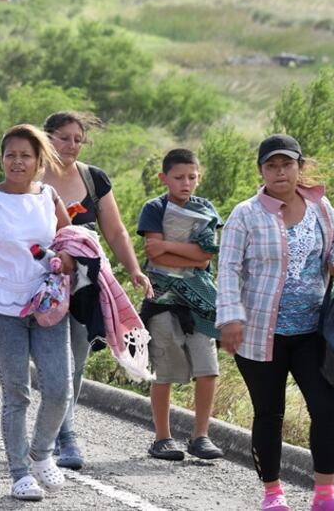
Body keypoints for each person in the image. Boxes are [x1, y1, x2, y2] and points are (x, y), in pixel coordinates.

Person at [217, 134, 334, 511]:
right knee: (269, 413)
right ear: (262, 171)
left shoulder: (320, 206)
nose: (280, 172)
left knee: (326, 408)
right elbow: (227, 268)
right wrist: (230, 318)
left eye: (287, 164)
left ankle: (326, 495)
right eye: (271, 166)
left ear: (300, 166)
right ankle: (273, 494)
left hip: (313, 332)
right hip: (260, 334)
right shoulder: (245, 214)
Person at [0, 124, 74, 501]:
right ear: (2, 159)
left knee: (59, 388)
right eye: (11, 155)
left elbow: (70, 241)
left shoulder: (49, 197)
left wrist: (68, 259)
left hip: (47, 308)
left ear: (39, 161)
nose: (17, 162)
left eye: (25, 155)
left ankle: (41, 455)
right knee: (17, 392)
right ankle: (20, 472)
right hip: (2, 308)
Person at [41, 111, 152, 470]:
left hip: (85, 286)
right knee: (52, 362)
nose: (71, 145)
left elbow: (116, 231)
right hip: (39, 284)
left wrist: (134, 269)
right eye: (63, 137)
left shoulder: (93, 179)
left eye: (78, 138)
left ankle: (65, 435)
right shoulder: (29, 175)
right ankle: (54, 434)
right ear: (47, 138)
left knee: (76, 358)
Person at [137, 149, 224, 461]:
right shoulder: (154, 208)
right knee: (165, 370)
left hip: (200, 304)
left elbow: (204, 258)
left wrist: (170, 246)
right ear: (164, 178)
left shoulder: (206, 209)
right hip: (162, 302)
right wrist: (182, 252)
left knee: (208, 369)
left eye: (192, 176)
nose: (186, 183)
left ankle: (200, 436)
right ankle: (163, 437)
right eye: (179, 177)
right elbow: (154, 255)